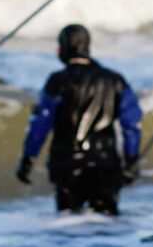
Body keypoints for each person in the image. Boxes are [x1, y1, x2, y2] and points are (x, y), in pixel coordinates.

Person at [16, 24, 142, 214]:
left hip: (67, 165)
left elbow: (40, 125)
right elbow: (131, 124)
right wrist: (132, 160)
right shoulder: (114, 80)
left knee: (69, 227)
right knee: (105, 225)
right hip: (106, 164)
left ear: (66, 46)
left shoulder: (57, 81)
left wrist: (28, 159)